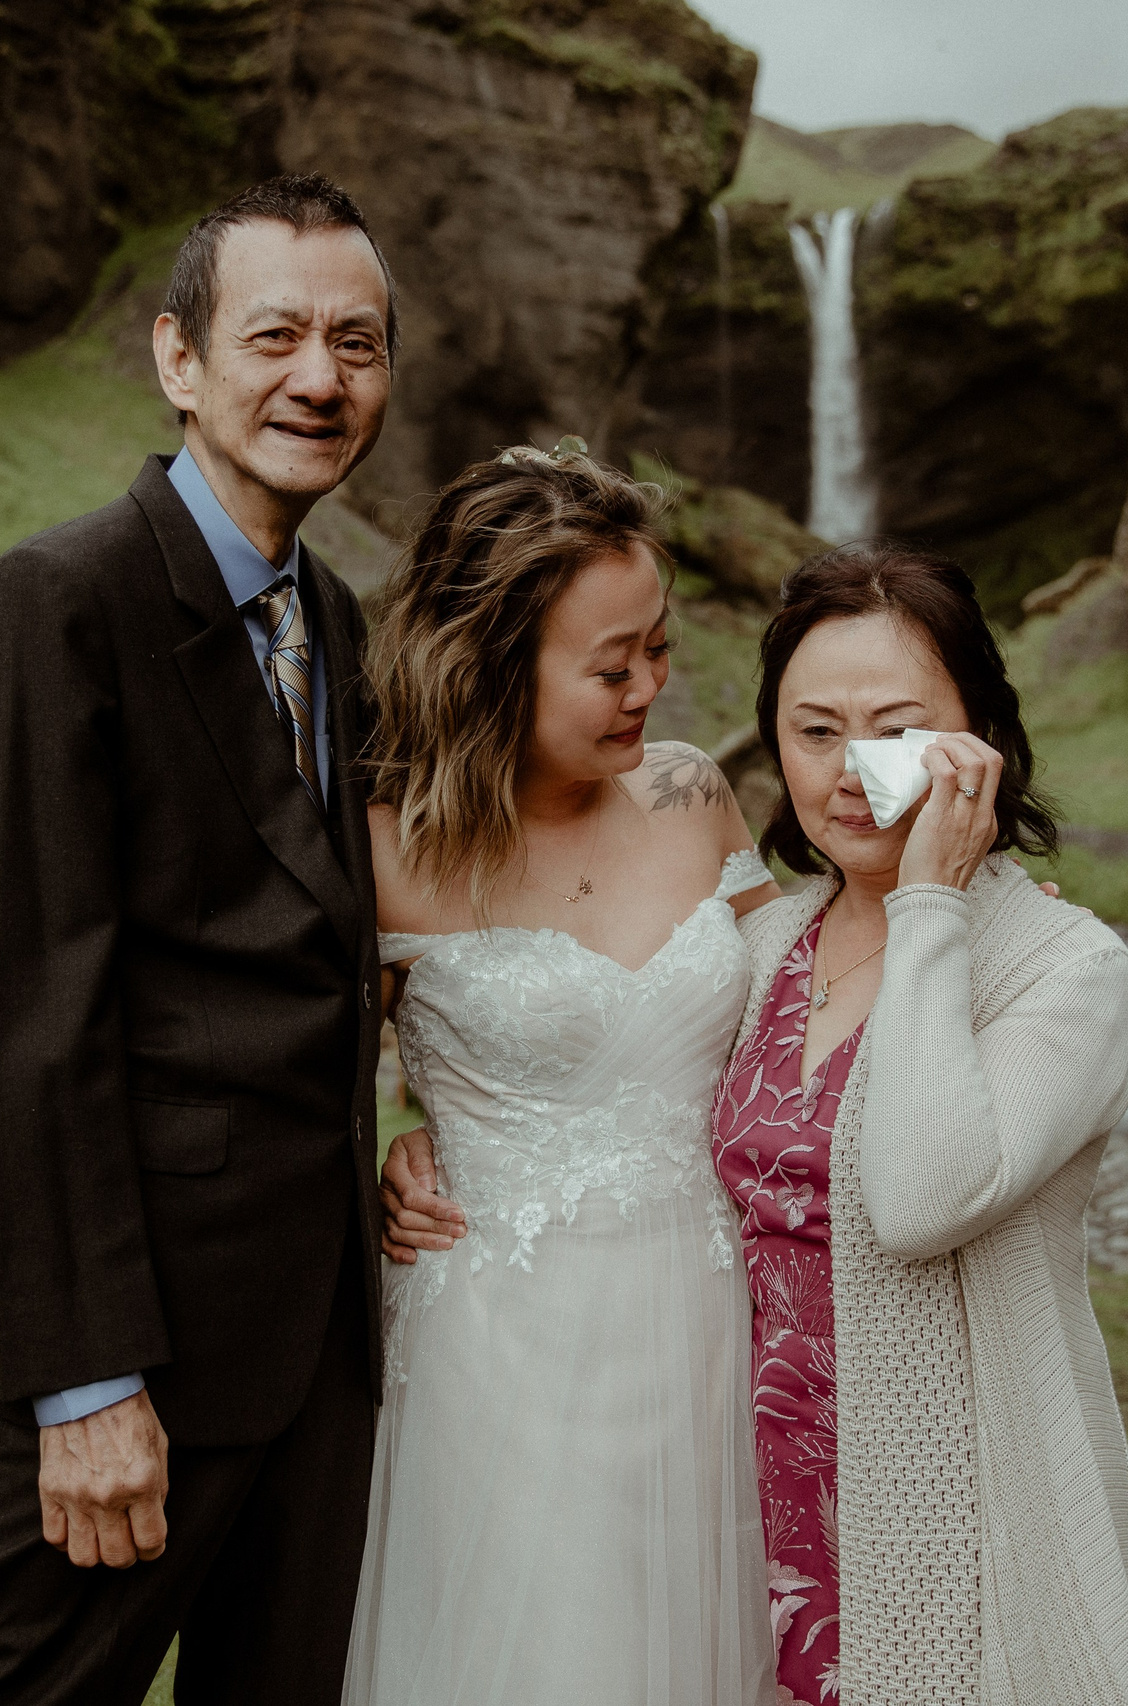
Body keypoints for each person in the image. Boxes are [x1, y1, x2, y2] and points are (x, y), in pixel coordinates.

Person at [0, 175, 398, 1705]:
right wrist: (86, 1379)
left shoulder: (341, 620)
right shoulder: (54, 605)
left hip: (318, 1353)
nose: (322, 377)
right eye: (279, 335)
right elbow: (23, 1019)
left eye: (359, 342)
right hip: (140, 1351)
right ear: (180, 360)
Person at [350, 441, 778, 1704]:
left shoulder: (696, 791)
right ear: (492, 664)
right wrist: (377, 1155)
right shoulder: (383, 851)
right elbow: (305, 1082)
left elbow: (808, 1019)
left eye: (659, 644)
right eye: (612, 663)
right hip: (504, 1355)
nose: (651, 682)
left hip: (714, 1340)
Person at [713, 541, 1128, 1704]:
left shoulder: (1063, 969)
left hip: (954, 1519)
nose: (852, 770)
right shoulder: (765, 946)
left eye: (898, 729)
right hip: (748, 1510)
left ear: (985, 744)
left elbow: (921, 1198)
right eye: (814, 730)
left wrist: (926, 901)